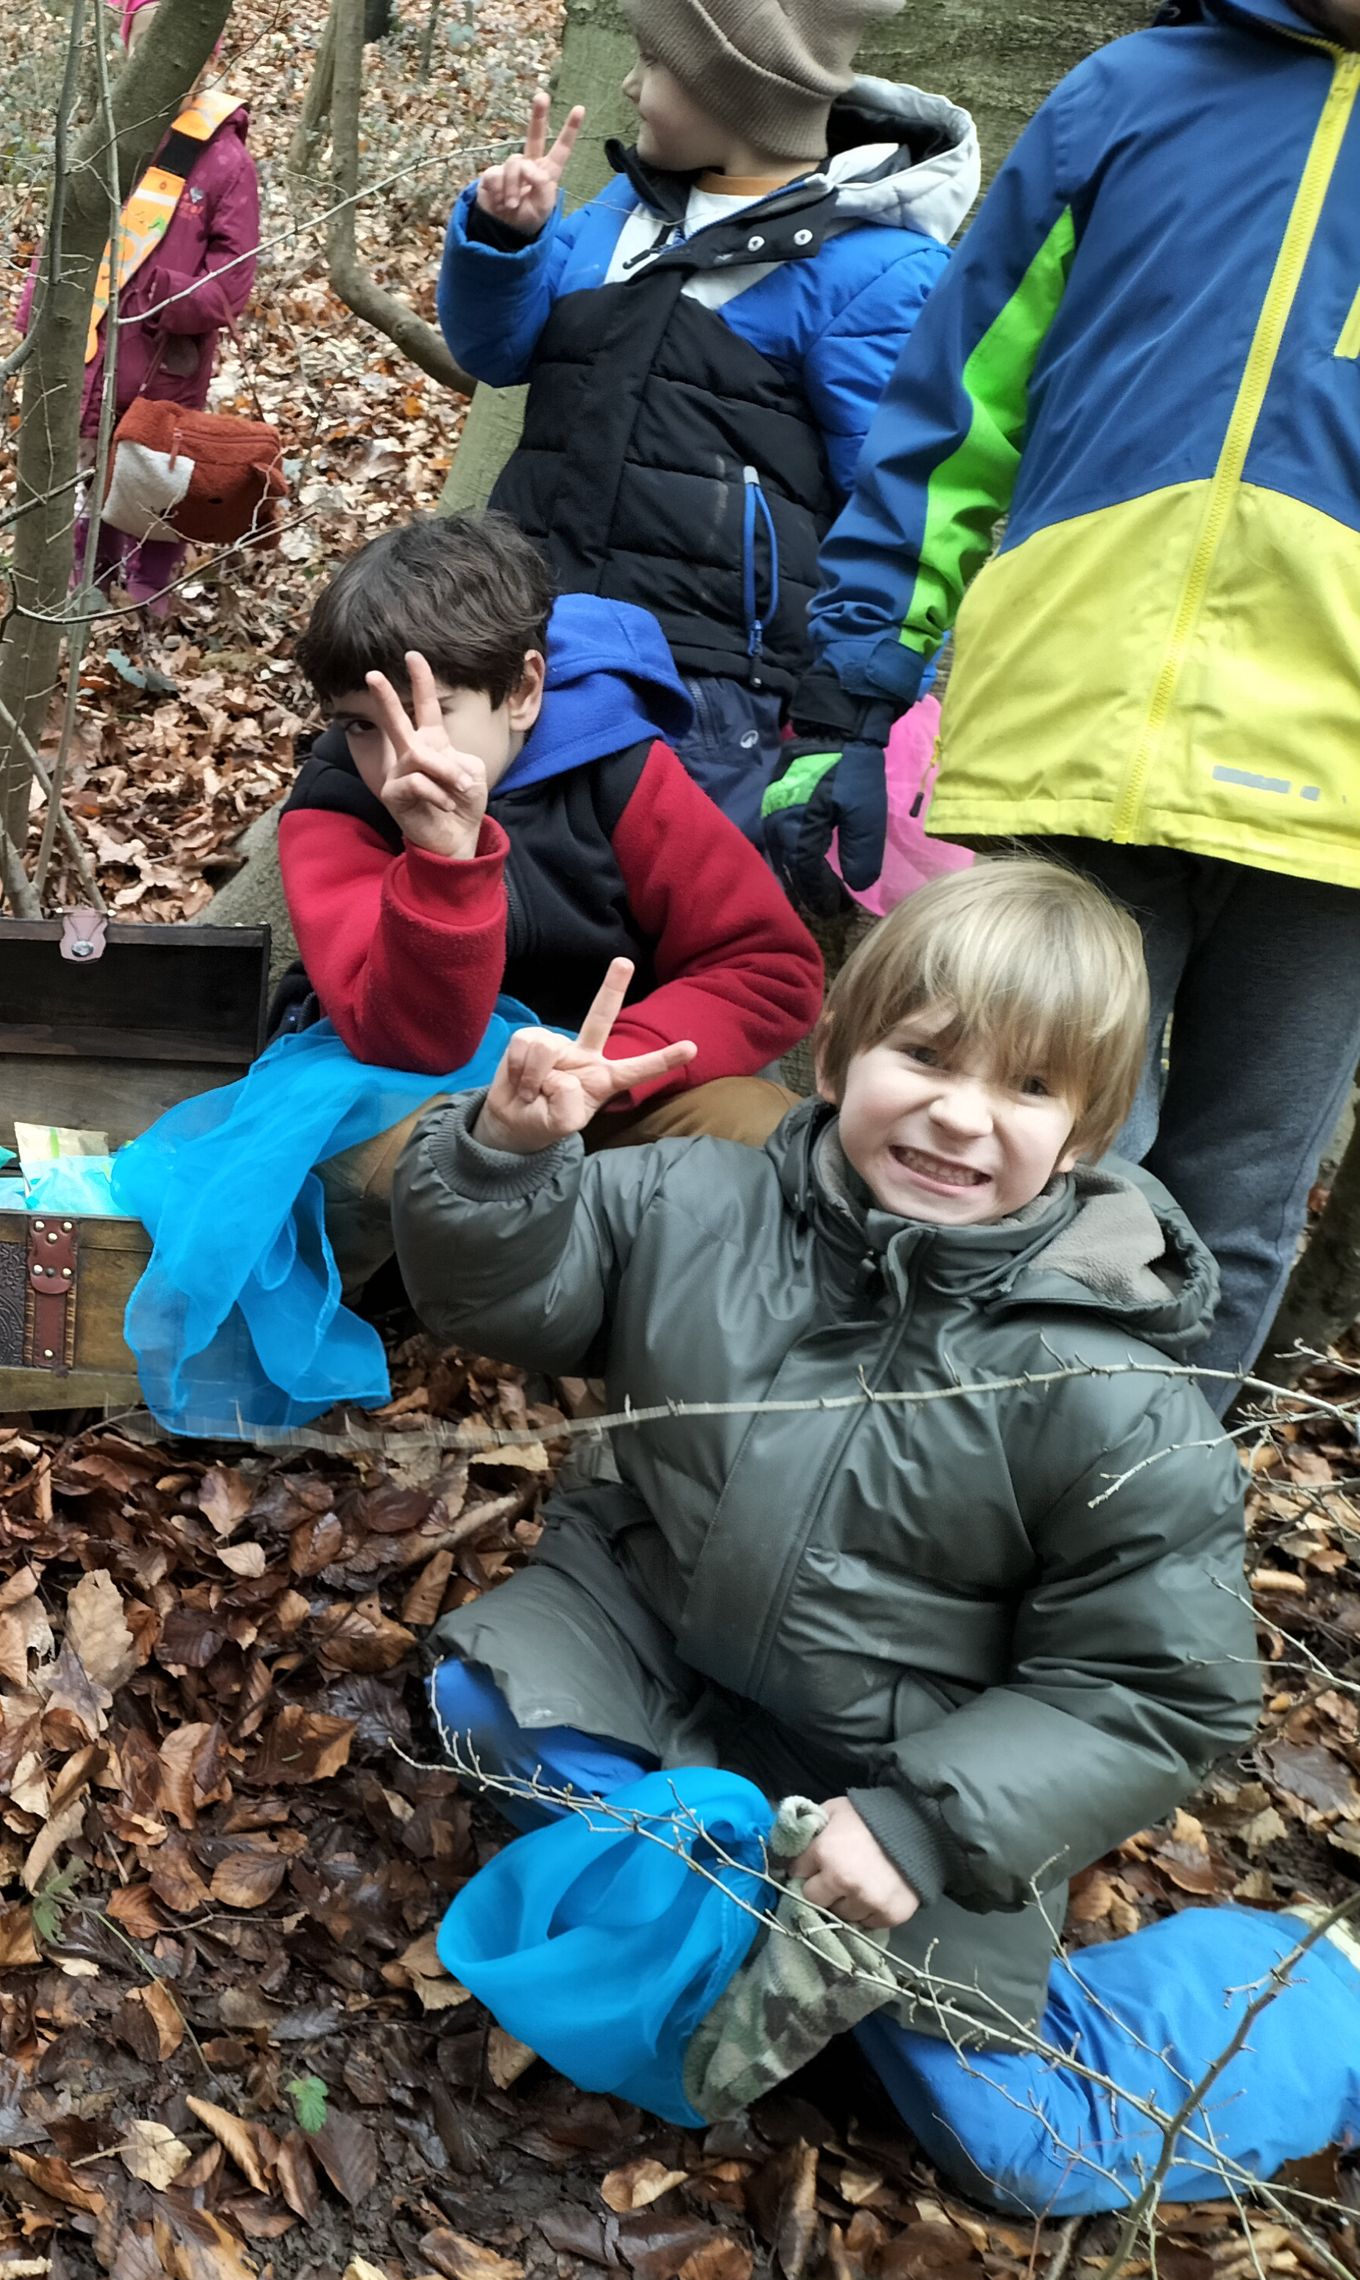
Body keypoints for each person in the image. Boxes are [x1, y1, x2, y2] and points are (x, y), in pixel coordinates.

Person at [403, 860, 1360, 2215]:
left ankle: (1320, 1991)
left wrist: (918, 1824)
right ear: (838, 1056)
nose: (961, 1114)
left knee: (1025, 2146)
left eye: (1029, 1088)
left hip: (912, 1780)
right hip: (663, 1648)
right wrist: (505, 1156)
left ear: (1086, 1137)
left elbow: (1157, 1687)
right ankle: (732, 1900)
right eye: (926, 1056)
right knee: (475, 1703)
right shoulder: (695, 1200)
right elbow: (511, 1301)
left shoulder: (1109, 1391)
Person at [769, 0, 1360, 1406]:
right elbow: (959, 400)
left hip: (1334, 798)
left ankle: (1139, 1506)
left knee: (1235, 1204)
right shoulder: (1132, 94)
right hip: (1072, 736)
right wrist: (856, 687)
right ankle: (924, 1480)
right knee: (1030, 1162)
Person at [438, 0, 976, 831]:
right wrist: (506, 242)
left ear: (735, 90)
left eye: (656, 64)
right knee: (495, 862)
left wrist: (851, 703)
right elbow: (497, 351)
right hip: (529, 628)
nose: (629, 84)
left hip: (708, 682)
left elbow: (899, 503)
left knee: (670, 887)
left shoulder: (877, 269)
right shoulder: (621, 212)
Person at [279, 513, 822, 1280]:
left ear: (523, 690)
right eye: (363, 726)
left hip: (612, 1084)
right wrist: (442, 862)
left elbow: (769, 968)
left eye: (433, 712)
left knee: (767, 1138)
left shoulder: (620, 770)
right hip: (407, 1094)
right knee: (376, 1172)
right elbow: (412, 1043)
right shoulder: (337, 806)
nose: (402, 757)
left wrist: (604, 1067)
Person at [49, 0, 260, 611]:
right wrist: (33, 314)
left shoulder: (225, 160)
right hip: (92, 345)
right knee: (91, 466)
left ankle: (152, 585)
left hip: (167, 356)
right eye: (142, 45)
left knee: (156, 470)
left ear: (203, 57)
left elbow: (232, 281)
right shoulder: (114, 138)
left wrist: (157, 295)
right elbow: (66, 232)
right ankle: (90, 574)